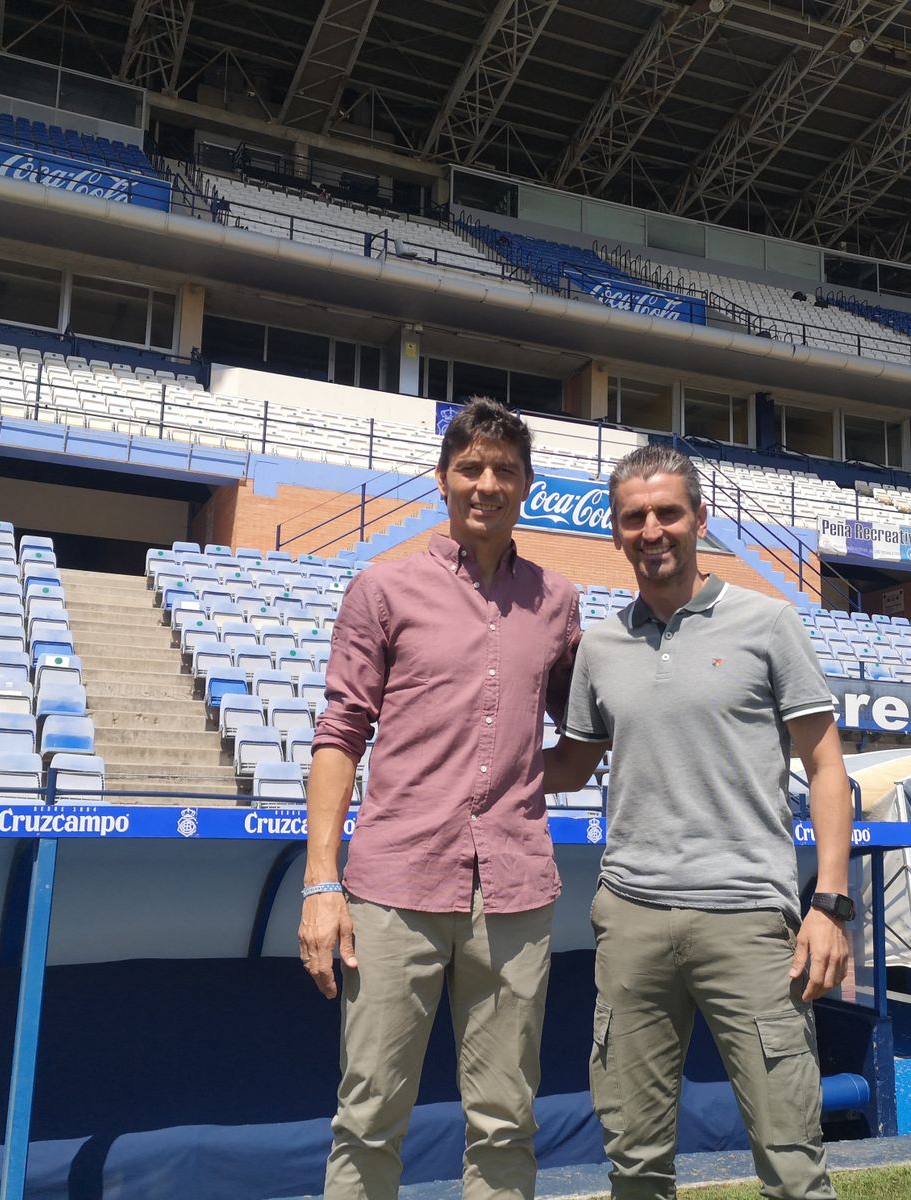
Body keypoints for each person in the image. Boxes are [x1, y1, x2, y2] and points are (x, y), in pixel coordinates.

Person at [544, 444, 853, 1200]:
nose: (653, 530)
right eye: (634, 518)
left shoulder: (770, 622)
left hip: (749, 920)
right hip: (632, 920)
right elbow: (570, 766)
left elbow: (827, 768)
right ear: (616, 534)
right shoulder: (601, 647)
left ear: (699, 522)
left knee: (791, 1161)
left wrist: (830, 906)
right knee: (636, 1163)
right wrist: (467, 769)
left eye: (668, 513)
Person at [300, 397, 583, 1200]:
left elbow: (585, 726)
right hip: (395, 886)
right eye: (470, 468)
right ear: (443, 479)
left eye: (504, 470)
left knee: (504, 1118)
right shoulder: (383, 588)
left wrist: (537, 774)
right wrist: (323, 882)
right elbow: (340, 732)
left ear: (527, 484)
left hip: (516, 892)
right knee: (368, 1116)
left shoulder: (558, 602)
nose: (486, 483)